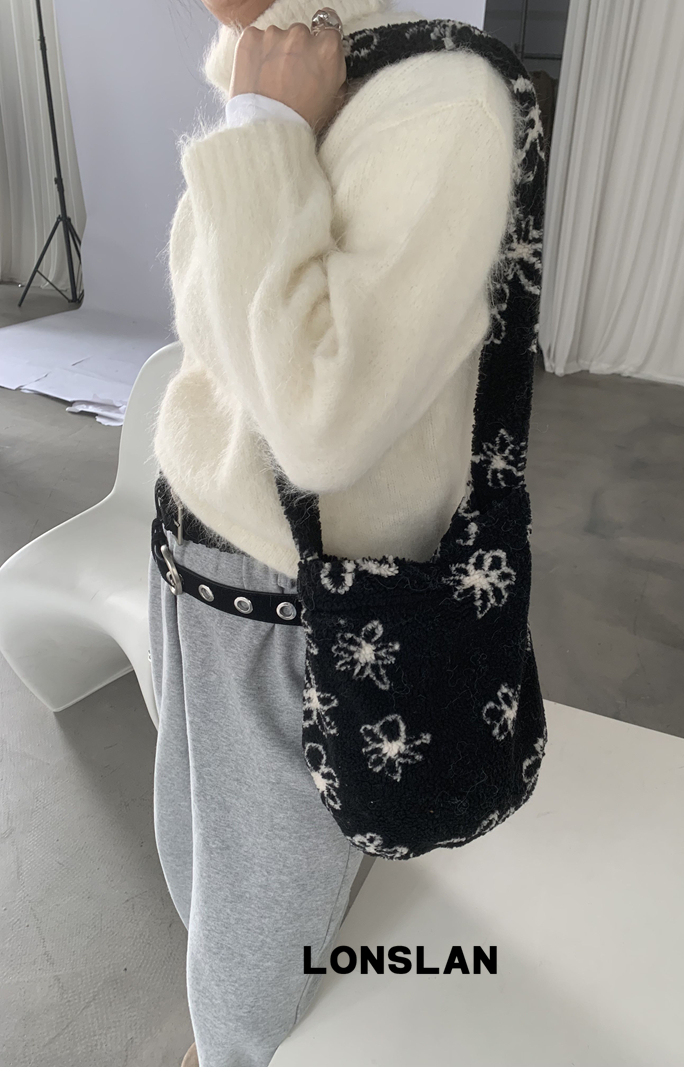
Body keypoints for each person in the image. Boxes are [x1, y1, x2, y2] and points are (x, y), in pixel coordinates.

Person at [147, 0, 517, 1063]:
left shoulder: (437, 101)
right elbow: (218, 341)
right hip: (196, 552)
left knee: (255, 940)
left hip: (296, 603)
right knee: (200, 860)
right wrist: (261, 116)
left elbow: (319, 424)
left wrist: (264, 130)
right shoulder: (278, 74)